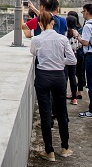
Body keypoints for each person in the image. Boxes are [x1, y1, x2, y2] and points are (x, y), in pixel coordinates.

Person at [30, 11, 77, 162]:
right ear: (53, 23)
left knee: (45, 114)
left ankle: (49, 151)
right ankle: (65, 147)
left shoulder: (37, 39)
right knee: (61, 112)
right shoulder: (62, 38)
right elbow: (72, 60)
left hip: (43, 76)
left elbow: (33, 53)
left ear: (40, 24)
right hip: (58, 77)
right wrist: (60, 62)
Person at [66, 15, 81, 105]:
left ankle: (62, 95)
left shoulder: (65, 32)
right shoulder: (76, 33)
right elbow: (79, 44)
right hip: (74, 56)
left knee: (65, 77)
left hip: (65, 56)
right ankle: (74, 98)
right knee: (73, 78)